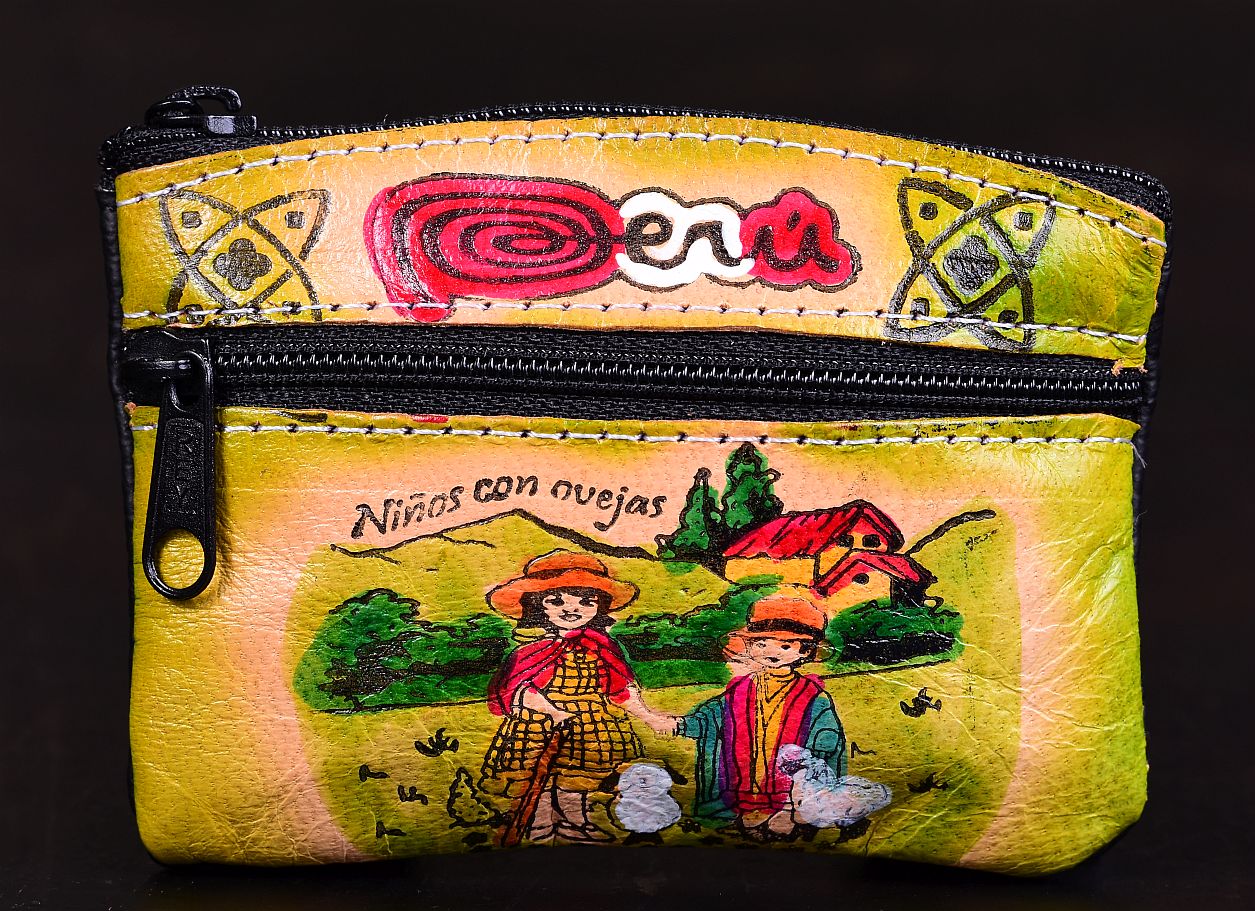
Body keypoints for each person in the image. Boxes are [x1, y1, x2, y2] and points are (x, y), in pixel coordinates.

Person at [479, 550, 670, 843]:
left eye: (586, 601)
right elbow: (519, 691)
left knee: (579, 776)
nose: (572, 609)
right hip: (539, 724)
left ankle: (575, 822)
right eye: (556, 601)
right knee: (539, 775)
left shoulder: (602, 648)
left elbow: (619, 689)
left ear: (599, 606)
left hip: (590, 725)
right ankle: (540, 824)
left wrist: (650, 717)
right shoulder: (530, 652)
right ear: (537, 606)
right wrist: (552, 711)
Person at [674, 592, 845, 839]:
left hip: (790, 786)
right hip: (747, 780)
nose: (771, 651)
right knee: (749, 818)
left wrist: (815, 750)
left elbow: (827, 736)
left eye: (785, 646)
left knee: (784, 820)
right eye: (761, 644)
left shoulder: (813, 696)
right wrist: (680, 724)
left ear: (805, 652)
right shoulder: (740, 689)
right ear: (750, 646)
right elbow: (711, 716)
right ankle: (751, 814)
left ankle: (786, 814)